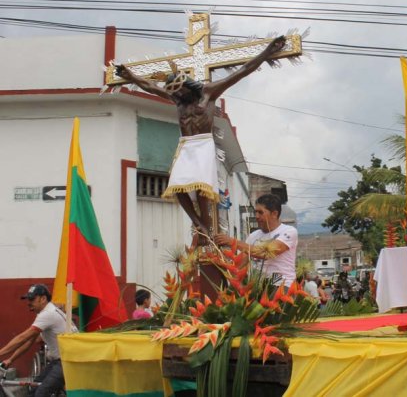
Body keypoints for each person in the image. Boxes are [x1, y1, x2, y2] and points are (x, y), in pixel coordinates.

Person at [115, 36, 287, 247]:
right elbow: (149, 87)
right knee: (177, 187)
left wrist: (268, 52)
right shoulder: (177, 99)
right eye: (173, 91)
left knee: (202, 190)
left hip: (204, 144)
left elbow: (243, 71)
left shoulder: (208, 92)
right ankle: (199, 224)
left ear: (188, 85)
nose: (176, 94)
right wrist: (130, 76)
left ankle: (205, 230)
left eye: (179, 90)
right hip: (186, 145)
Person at [0, 284, 78, 396]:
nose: (29, 302)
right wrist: (10, 360)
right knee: (34, 388)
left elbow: (23, 337)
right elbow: (29, 341)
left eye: (32, 299)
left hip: (67, 362)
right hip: (61, 360)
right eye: (28, 299)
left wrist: (1, 353)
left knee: (40, 394)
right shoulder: (48, 311)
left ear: (43, 299)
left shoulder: (47, 314)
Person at [214, 194, 298, 288]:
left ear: (274, 214)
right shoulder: (253, 236)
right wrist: (220, 259)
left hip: (281, 285)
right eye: (255, 212)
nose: (256, 216)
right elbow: (240, 264)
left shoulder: (288, 231)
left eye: (260, 212)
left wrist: (233, 242)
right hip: (257, 287)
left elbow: (265, 253)